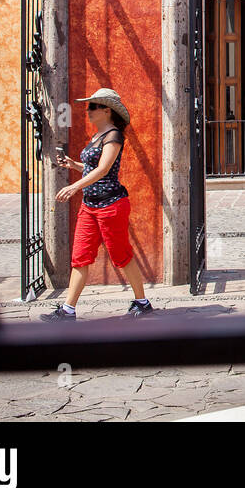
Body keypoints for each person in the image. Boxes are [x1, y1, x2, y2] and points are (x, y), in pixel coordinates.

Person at [40, 88, 154, 321]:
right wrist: (73, 165)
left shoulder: (114, 136)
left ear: (107, 110)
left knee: (121, 255)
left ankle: (142, 302)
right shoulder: (96, 137)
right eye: (89, 106)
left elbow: (104, 170)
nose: (88, 110)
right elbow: (95, 168)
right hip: (89, 206)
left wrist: (74, 187)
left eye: (92, 107)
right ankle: (68, 310)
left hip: (111, 205)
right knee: (80, 256)